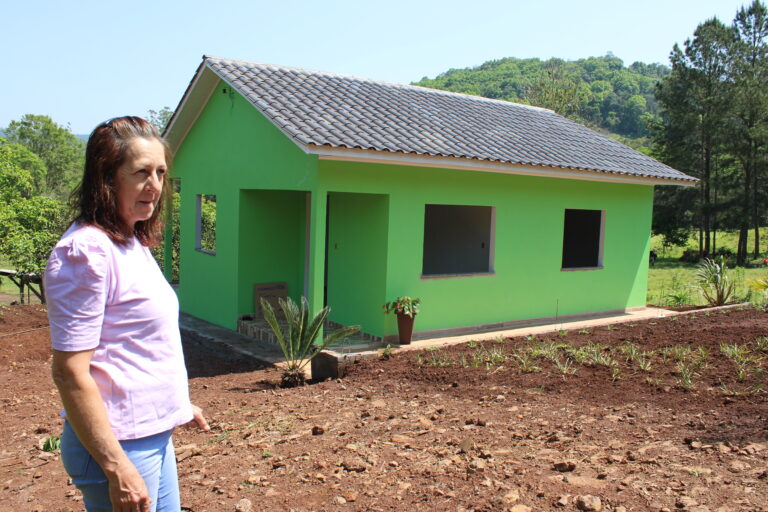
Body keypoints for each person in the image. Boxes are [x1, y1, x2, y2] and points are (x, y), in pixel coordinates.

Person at [45, 116, 209, 512]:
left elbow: (136, 343)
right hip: (120, 445)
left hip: (149, 434)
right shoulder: (86, 252)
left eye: (161, 173)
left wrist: (174, 403)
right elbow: (69, 372)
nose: (154, 185)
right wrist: (116, 466)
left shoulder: (131, 240)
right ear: (107, 178)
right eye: (141, 173)